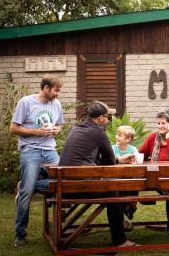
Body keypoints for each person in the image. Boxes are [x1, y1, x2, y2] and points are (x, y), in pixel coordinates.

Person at [58, 101, 137, 248]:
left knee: (114, 187)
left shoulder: (76, 129)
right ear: (101, 118)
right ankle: (121, 240)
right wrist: (116, 160)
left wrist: (118, 159)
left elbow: (96, 159)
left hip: (65, 184)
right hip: (78, 187)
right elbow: (109, 162)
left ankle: (126, 213)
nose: (109, 120)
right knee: (114, 193)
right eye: (108, 117)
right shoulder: (99, 133)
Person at [10, 74, 64, 247]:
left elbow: (60, 124)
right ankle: (20, 234)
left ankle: (62, 228)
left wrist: (56, 130)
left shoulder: (56, 104)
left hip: (50, 150)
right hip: (30, 150)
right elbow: (13, 128)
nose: (58, 94)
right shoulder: (26, 102)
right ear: (46, 88)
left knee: (64, 181)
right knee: (26, 194)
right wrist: (37, 132)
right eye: (56, 90)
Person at [138, 110, 169, 236]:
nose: (160, 126)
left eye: (163, 123)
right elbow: (141, 153)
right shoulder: (153, 137)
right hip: (154, 176)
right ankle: (129, 207)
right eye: (158, 123)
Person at [111, 125, 139, 228]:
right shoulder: (112, 148)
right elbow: (111, 161)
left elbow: (137, 160)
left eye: (120, 135)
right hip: (118, 178)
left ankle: (132, 205)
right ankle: (126, 209)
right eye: (117, 134)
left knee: (135, 182)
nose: (116, 137)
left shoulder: (133, 149)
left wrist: (135, 163)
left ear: (128, 139)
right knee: (121, 190)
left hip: (130, 177)